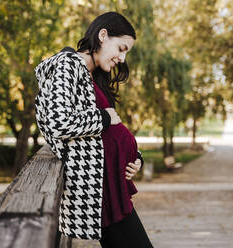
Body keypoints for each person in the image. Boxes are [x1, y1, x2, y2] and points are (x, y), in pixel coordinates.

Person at [34, 12, 153, 248]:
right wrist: (103, 118)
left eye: (126, 52)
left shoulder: (90, 74)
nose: (122, 57)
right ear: (102, 35)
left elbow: (109, 134)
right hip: (101, 190)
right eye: (121, 48)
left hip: (110, 185)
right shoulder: (68, 65)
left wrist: (134, 158)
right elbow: (59, 122)